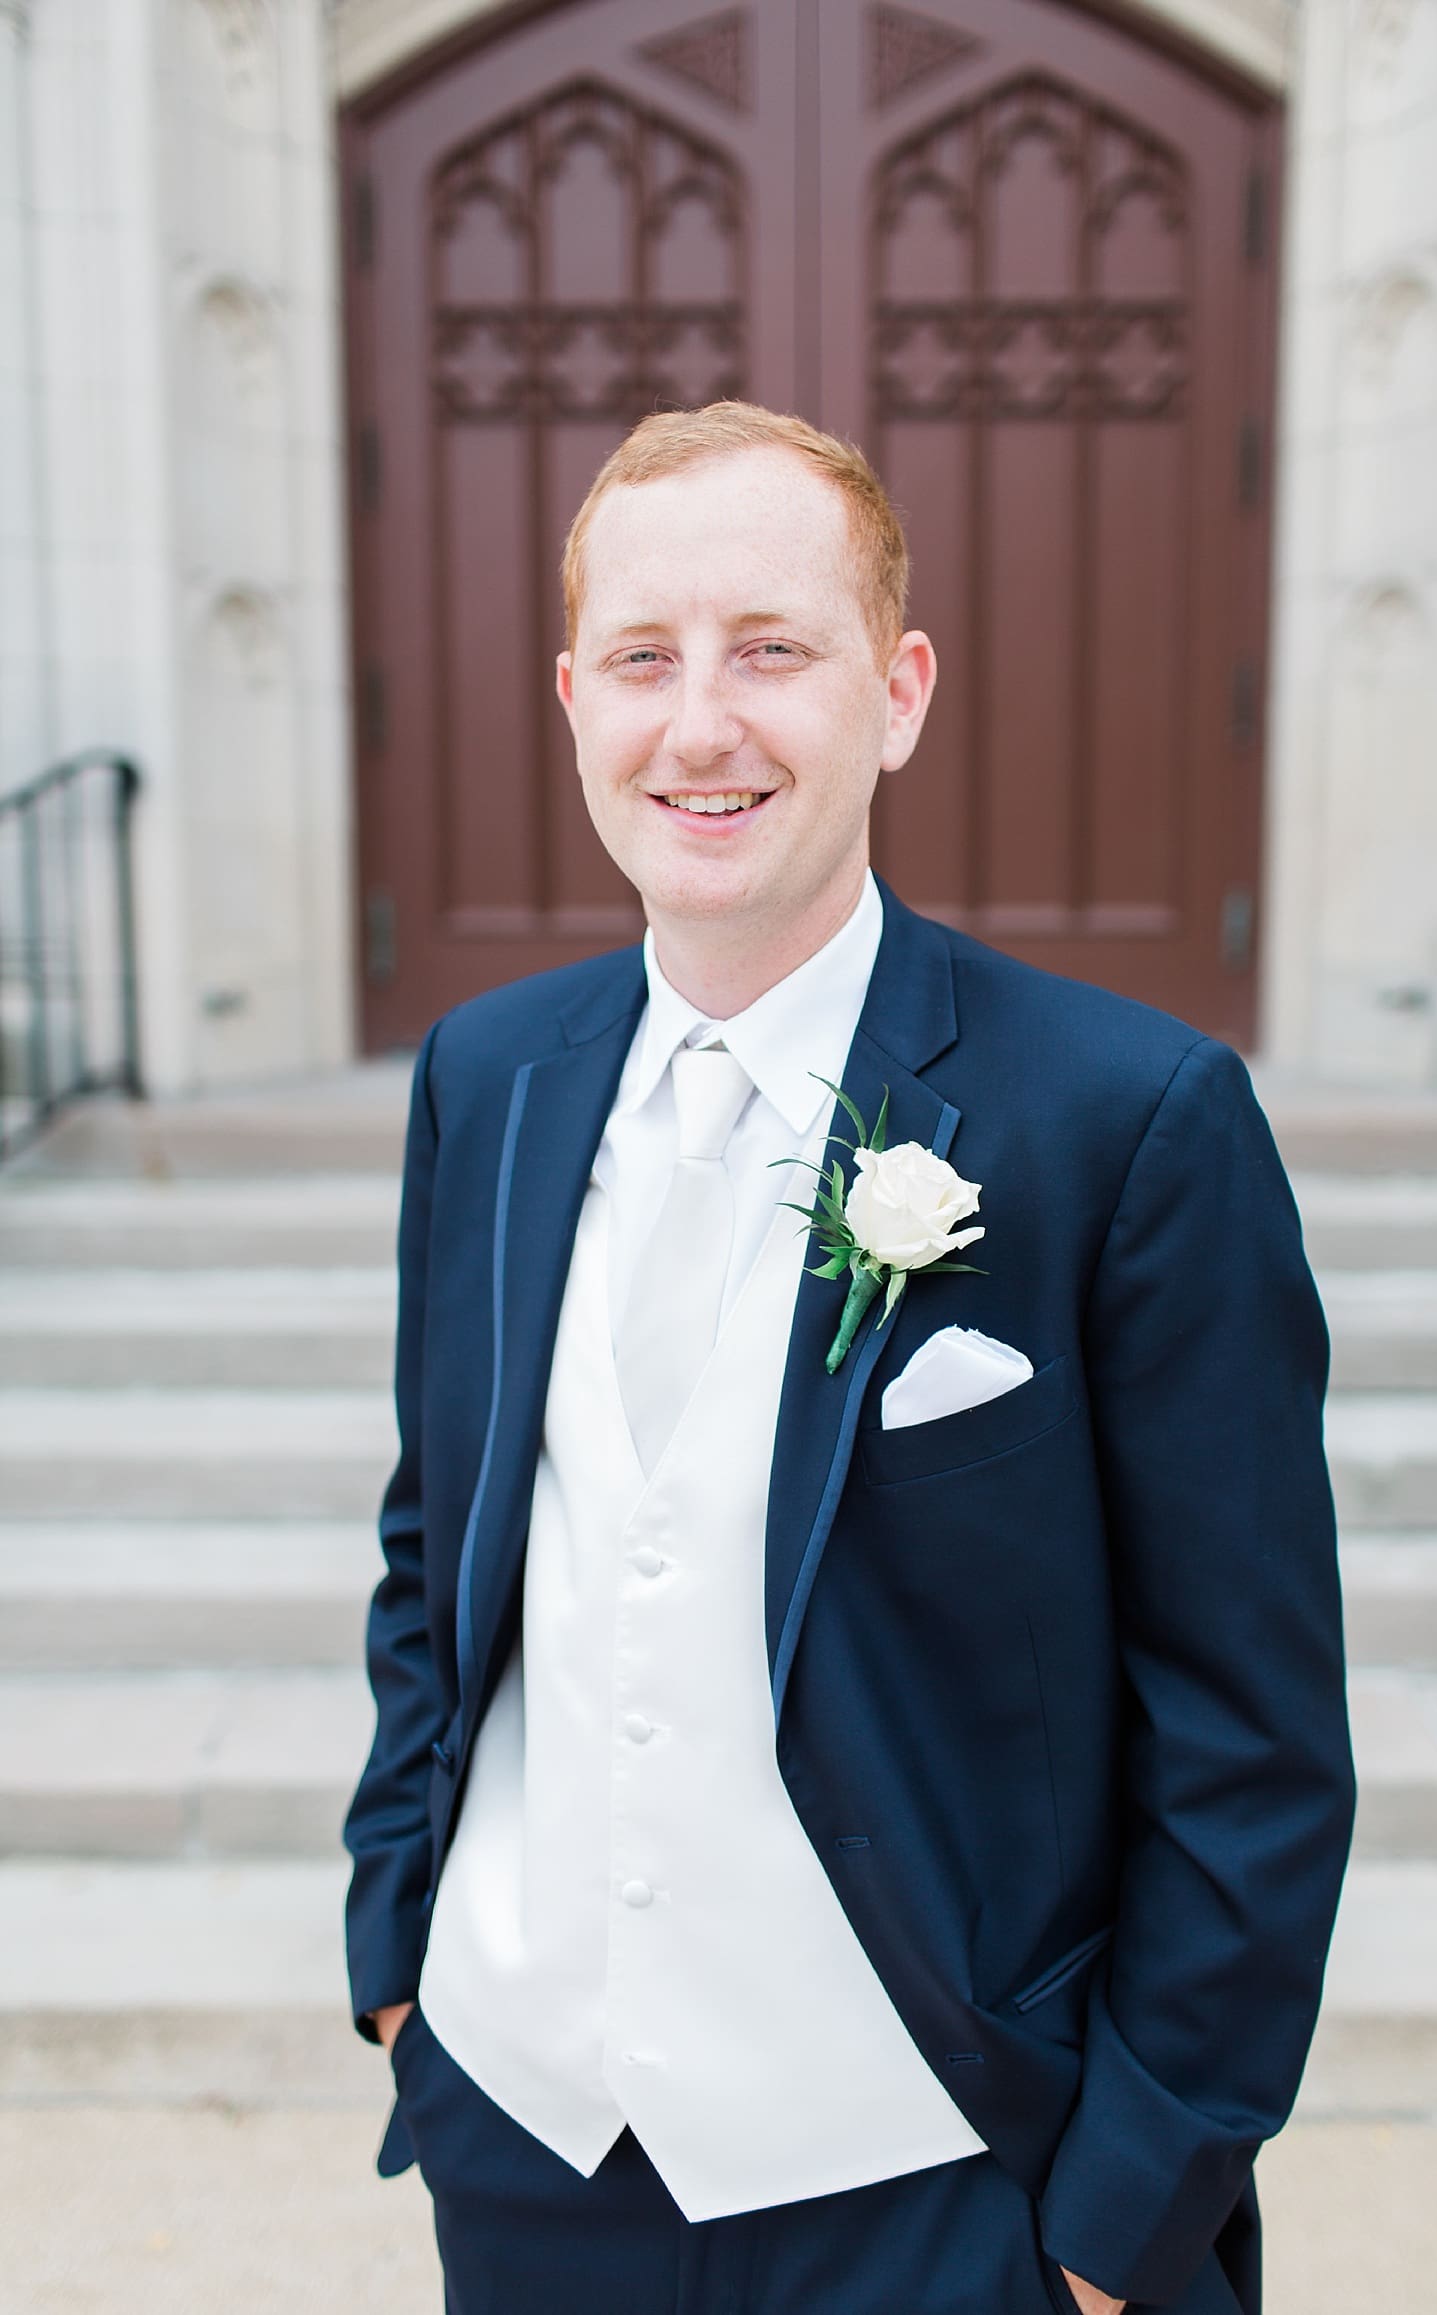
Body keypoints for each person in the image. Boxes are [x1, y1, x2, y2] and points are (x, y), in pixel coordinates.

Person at [343, 401, 1354, 2315]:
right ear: (572, 702)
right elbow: (441, 1538)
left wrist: (1126, 2207)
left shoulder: (1127, 1117)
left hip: (943, 2180)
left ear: (896, 692)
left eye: (772, 650)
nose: (700, 723)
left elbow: (1254, 1730)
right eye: (644, 657)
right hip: (526, 2136)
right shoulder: (485, 1080)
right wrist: (399, 1935)